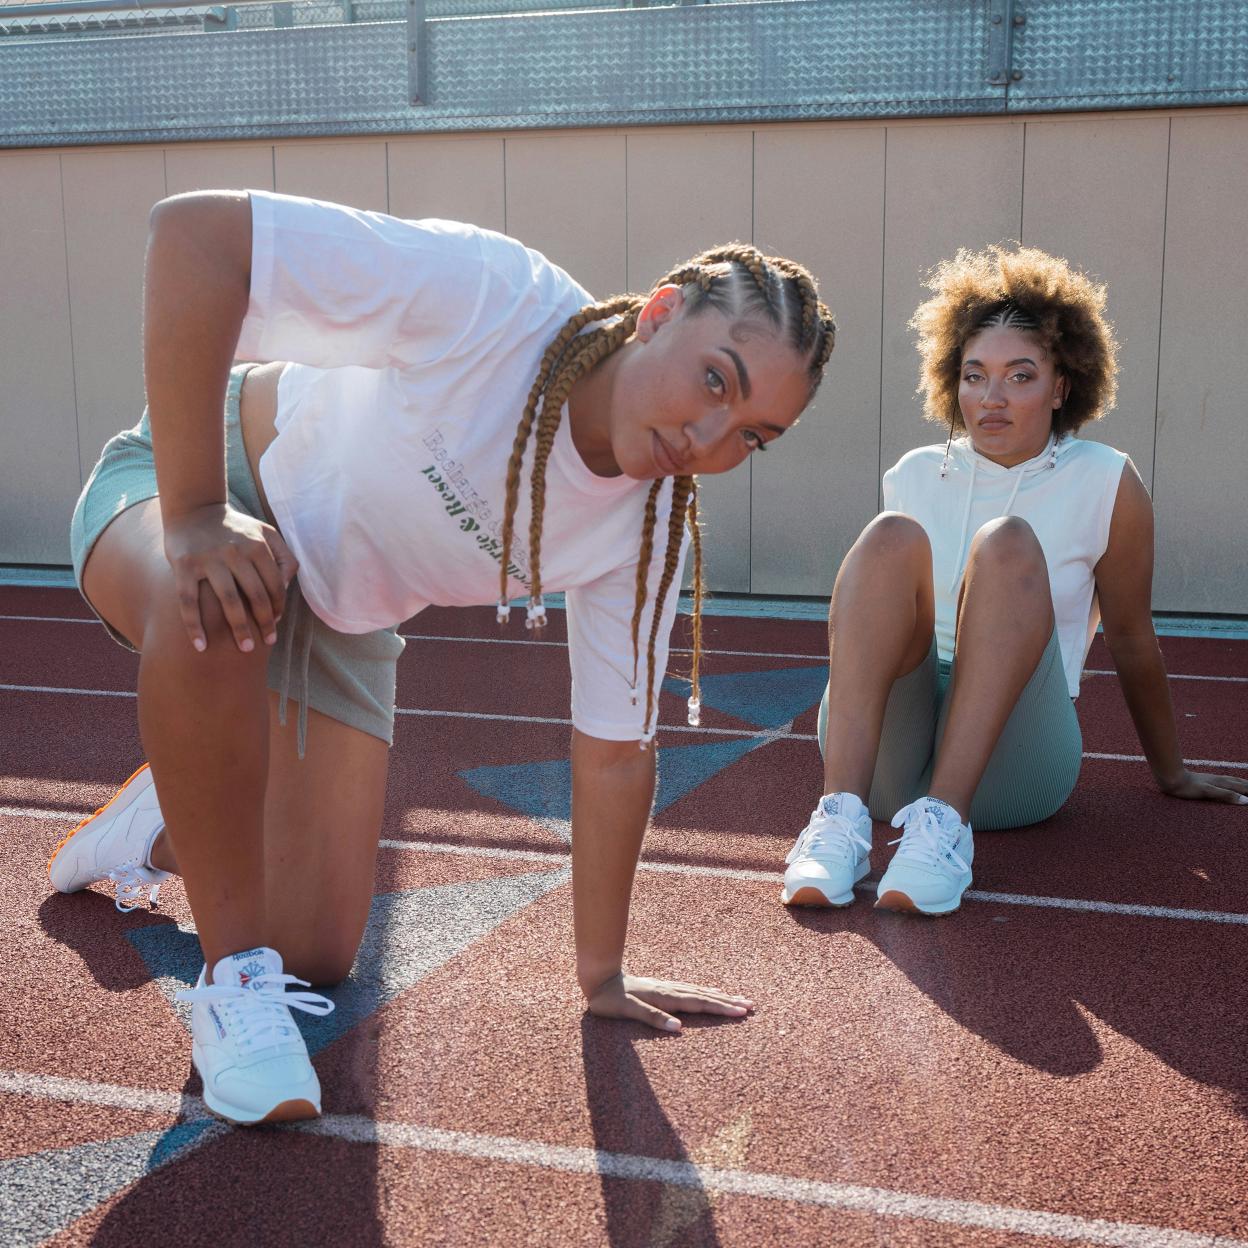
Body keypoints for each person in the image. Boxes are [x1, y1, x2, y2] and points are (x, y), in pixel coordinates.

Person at [46, 188, 836, 1125]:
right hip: (205, 482)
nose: (710, 442)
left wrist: (604, 973)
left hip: (338, 614)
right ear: (659, 313)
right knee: (212, 596)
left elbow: (615, 748)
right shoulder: (491, 298)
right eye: (716, 381)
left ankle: (158, 815)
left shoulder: (647, 526)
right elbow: (195, 234)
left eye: (752, 437)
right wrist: (193, 513)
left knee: (322, 949)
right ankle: (235, 987)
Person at [781, 243, 1247, 918]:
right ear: (953, 380)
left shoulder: (1105, 479)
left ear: (1061, 387)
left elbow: (1131, 635)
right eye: (975, 375)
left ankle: (942, 830)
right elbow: (874, 622)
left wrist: (1170, 772)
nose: (991, 399)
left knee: (1006, 543)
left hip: (1016, 764)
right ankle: (839, 821)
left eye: (1019, 376)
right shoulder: (913, 473)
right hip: (889, 758)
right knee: (890, 536)